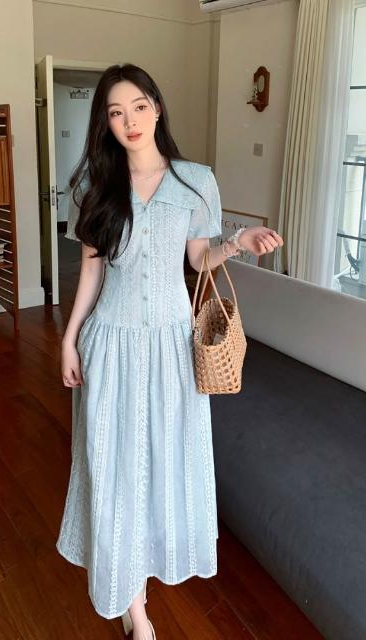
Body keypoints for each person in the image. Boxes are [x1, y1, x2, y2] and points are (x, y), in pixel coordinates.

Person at [57, 63, 283, 640]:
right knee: (115, 472)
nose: (129, 120)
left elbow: (198, 259)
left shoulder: (195, 181)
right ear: (106, 124)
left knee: (159, 468)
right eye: (115, 112)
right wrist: (68, 338)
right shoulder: (96, 187)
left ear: (156, 107)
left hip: (171, 350)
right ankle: (136, 612)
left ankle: (144, 574)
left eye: (138, 106)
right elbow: (91, 272)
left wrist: (237, 241)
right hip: (110, 344)